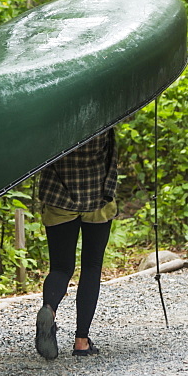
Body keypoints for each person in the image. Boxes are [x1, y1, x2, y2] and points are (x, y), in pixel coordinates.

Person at [34, 127, 118, 360]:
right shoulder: (106, 113)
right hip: (97, 198)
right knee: (91, 266)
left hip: (59, 198)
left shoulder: (56, 115)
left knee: (61, 268)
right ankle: (81, 341)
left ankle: (49, 309)